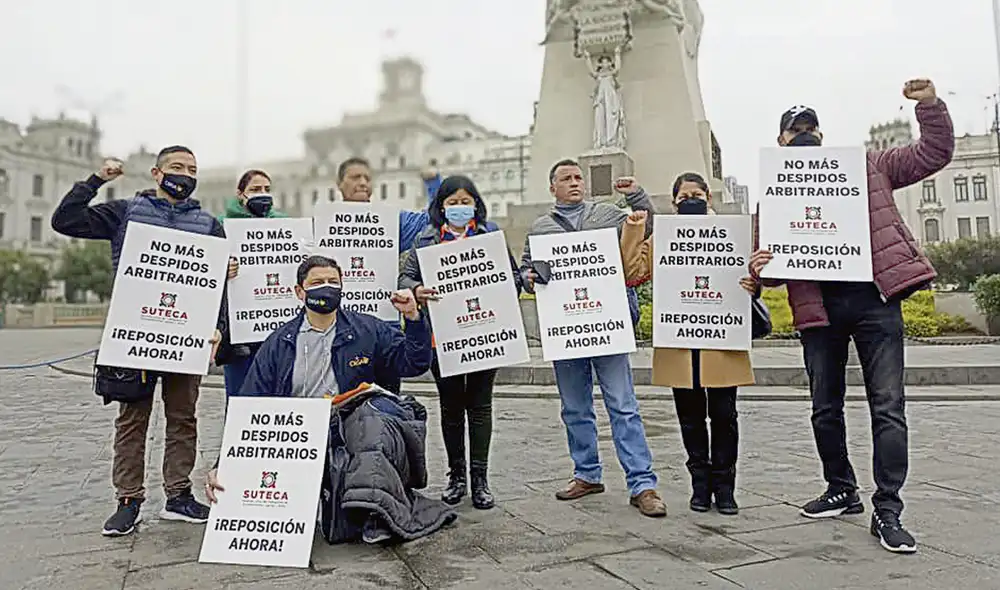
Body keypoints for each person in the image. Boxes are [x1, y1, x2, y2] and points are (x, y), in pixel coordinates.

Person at [749, 79, 954, 553]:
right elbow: (772, 272)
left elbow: (933, 154)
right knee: (824, 408)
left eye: (810, 127)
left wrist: (929, 107)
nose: (803, 134)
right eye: (794, 129)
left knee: (888, 407)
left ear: (822, 135)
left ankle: (888, 509)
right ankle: (841, 488)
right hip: (817, 309)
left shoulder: (870, 167)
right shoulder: (774, 195)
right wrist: (760, 266)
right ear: (781, 142)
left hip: (875, 301)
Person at [205, 255, 447, 544]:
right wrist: (225, 464)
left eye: (334, 282)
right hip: (299, 433)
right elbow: (250, 403)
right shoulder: (279, 343)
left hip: (351, 424)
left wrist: (414, 319)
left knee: (372, 421)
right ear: (299, 292)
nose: (327, 287)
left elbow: (413, 364)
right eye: (317, 282)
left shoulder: (369, 330)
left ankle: (379, 514)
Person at [51, 146, 226, 536]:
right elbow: (65, 221)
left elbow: (218, 285)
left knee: (183, 418)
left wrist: (218, 326)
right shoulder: (124, 212)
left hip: (185, 337)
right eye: (177, 167)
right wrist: (97, 181)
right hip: (136, 338)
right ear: (156, 173)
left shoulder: (208, 223)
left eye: (192, 168)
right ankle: (128, 500)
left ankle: (178, 495)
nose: (185, 173)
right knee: (132, 420)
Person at [519, 158, 667, 517]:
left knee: (623, 405)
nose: (574, 183)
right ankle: (587, 474)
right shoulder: (540, 228)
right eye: (566, 179)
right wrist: (528, 277)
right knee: (574, 407)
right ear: (552, 187)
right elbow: (526, 267)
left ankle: (642, 484)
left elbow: (647, 227)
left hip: (608, 326)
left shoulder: (607, 215)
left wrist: (637, 196)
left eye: (577, 178)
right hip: (567, 331)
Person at [619, 173, 760, 516]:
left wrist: (754, 282)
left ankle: (725, 487)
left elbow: (753, 276)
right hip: (680, 340)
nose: (691, 199)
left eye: (697, 194)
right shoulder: (663, 237)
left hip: (721, 339)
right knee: (690, 417)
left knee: (725, 416)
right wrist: (636, 228)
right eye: (684, 195)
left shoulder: (732, 234)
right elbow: (631, 272)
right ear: (674, 202)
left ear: (709, 199)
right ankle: (700, 484)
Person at [398, 175, 522, 510]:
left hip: (484, 334)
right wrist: (415, 290)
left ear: (476, 203)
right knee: (451, 408)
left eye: (465, 201)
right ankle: (457, 477)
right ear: (440, 207)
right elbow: (406, 277)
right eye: (452, 202)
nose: (459, 208)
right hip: (443, 339)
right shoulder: (425, 240)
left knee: (480, 407)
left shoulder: (490, 234)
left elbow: (512, 279)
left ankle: (480, 480)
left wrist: (516, 280)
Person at [214, 169, 286, 399]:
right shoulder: (221, 226)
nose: (262, 194)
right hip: (239, 334)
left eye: (267, 189)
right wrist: (221, 270)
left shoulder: (285, 226)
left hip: (276, 329)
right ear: (240, 194)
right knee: (240, 395)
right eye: (255, 189)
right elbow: (203, 270)